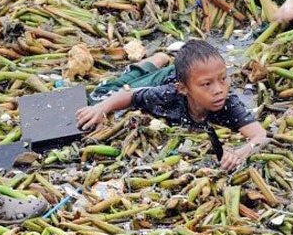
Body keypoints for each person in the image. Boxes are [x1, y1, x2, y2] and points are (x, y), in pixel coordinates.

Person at [76, 39, 268, 172]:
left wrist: (240, 152)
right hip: (163, 79)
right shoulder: (169, 94)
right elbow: (131, 95)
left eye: (223, 79)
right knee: (101, 95)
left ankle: (159, 60)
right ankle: (153, 61)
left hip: (184, 75)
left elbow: (259, 135)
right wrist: (100, 108)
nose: (219, 90)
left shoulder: (227, 103)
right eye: (207, 84)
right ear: (184, 89)